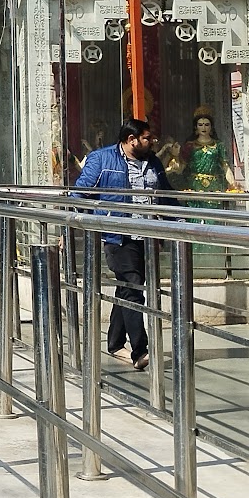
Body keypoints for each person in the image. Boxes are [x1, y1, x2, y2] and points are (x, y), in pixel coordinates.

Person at [73, 119, 173, 372]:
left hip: (147, 235)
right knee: (133, 286)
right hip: (117, 235)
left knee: (127, 288)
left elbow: (167, 195)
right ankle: (141, 350)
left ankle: (115, 343)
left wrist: (183, 221)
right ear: (132, 140)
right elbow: (79, 194)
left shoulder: (153, 162)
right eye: (147, 138)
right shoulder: (102, 158)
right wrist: (85, 224)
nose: (152, 142)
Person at [175, 106, 240, 208]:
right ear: (196, 127)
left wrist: (232, 183)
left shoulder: (218, 145)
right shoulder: (189, 146)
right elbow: (181, 168)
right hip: (194, 186)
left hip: (214, 187)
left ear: (211, 127)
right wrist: (174, 162)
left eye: (206, 125)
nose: (204, 128)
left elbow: (225, 166)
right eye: (200, 125)